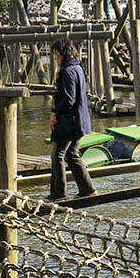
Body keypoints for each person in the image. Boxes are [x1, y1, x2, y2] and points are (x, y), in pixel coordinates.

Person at [48, 39, 96, 202]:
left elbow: (68, 99)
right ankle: (87, 189)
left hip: (71, 120)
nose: (55, 57)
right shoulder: (77, 67)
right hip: (80, 119)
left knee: (58, 155)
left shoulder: (68, 70)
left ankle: (58, 194)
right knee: (71, 154)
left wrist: (55, 112)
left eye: (56, 54)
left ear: (63, 54)